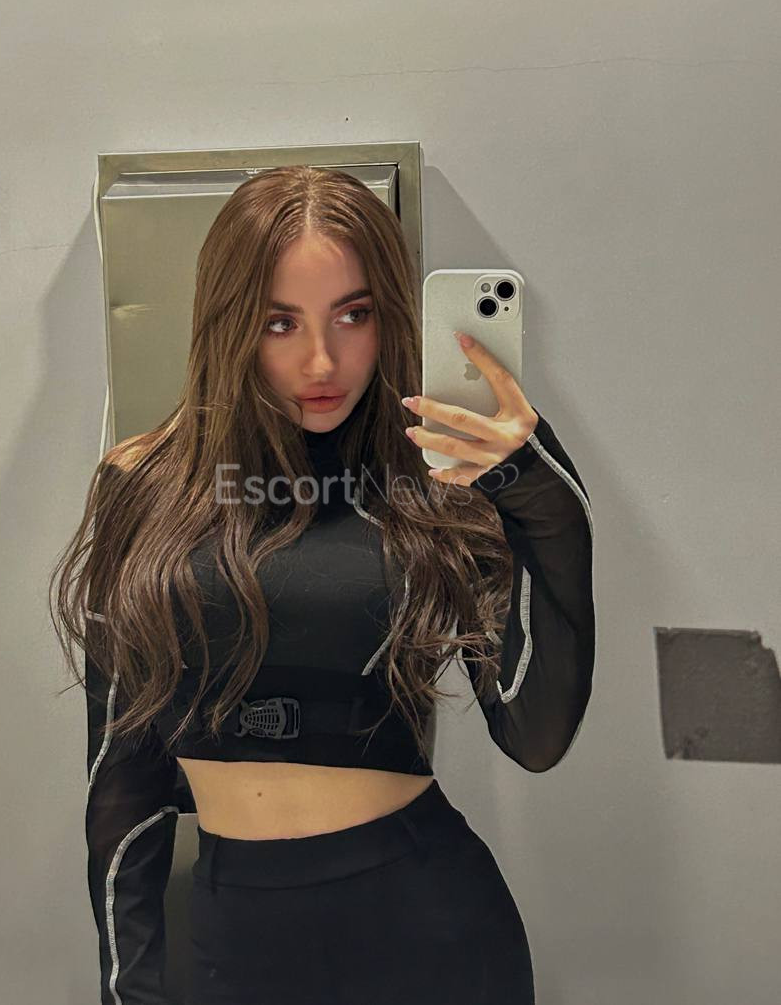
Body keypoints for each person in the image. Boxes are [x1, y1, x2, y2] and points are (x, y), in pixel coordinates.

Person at [50, 165, 595, 1005]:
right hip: (237, 942)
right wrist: (128, 989)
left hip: (428, 930)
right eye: (280, 322)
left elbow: (536, 731)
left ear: (389, 317)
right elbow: (121, 787)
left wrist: (535, 485)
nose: (321, 359)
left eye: (354, 315)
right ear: (229, 322)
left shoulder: (435, 486)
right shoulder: (144, 488)